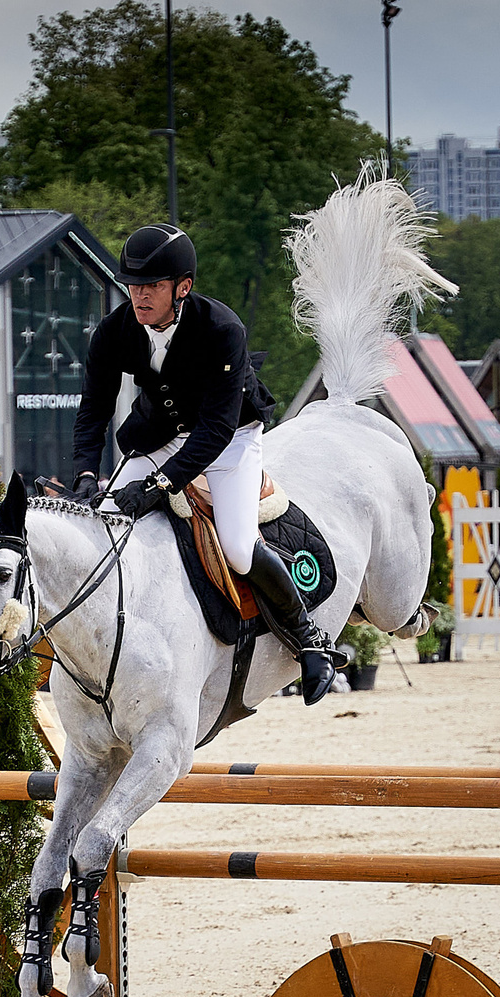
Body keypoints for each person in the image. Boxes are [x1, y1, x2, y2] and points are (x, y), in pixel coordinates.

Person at [69, 222, 338, 704]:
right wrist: (87, 473)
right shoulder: (114, 332)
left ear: (183, 287)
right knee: (106, 524)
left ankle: (307, 638)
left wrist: (159, 486)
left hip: (229, 438)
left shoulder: (221, 329)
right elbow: (93, 409)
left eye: (151, 285)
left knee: (236, 545)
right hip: (159, 435)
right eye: (133, 285)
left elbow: (214, 429)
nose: (139, 295)